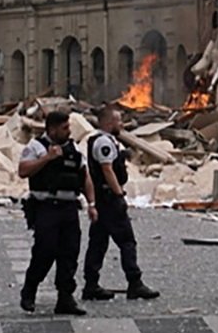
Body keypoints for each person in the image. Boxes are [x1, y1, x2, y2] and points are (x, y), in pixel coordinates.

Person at [18, 110, 96, 316]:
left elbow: (85, 177)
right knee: (45, 251)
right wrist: (47, 158)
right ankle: (29, 291)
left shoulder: (73, 149)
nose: (68, 131)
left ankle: (65, 298)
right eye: (64, 128)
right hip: (46, 207)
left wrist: (92, 204)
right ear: (52, 129)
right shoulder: (36, 147)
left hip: (69, 208)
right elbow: (23, 170)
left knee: (69, 253)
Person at [83, 104, 159, 302]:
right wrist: (119, 194)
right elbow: (107, 170)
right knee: (127, 241)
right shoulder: (104, 143)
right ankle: (135, 283)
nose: (121, 124)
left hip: (102, 200)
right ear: (108, 123)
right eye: (118, 120)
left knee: (98, 243)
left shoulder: (102, 140)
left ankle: (91, 285)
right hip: (109, 200)